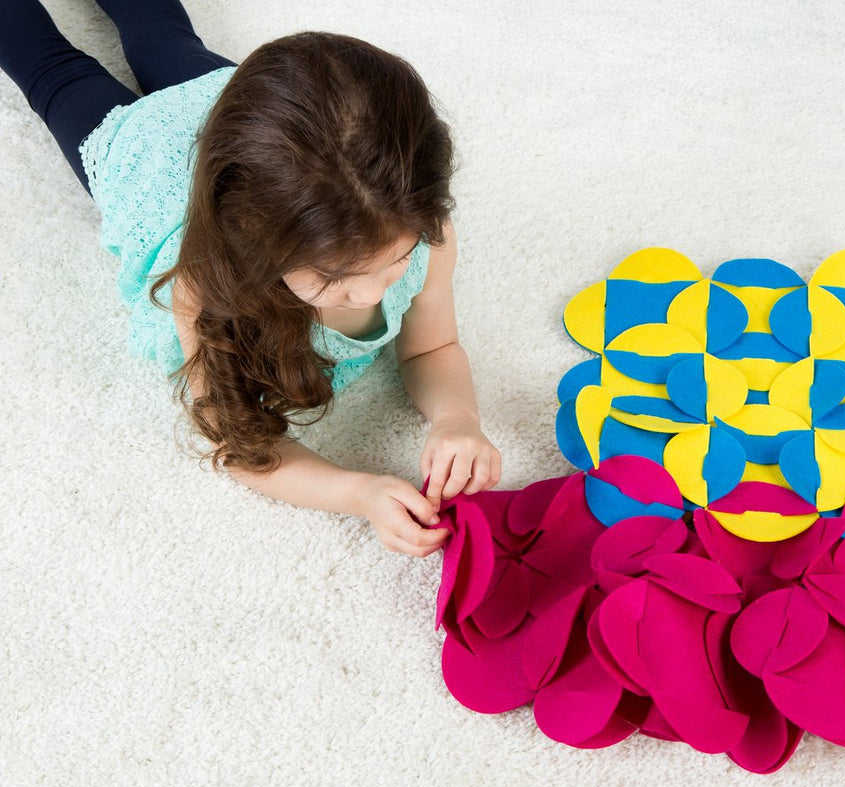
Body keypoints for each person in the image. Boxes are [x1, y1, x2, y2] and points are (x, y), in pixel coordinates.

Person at [0, 0, 501, 558]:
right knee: (52, 71)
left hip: (242, 118)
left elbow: (433, 345)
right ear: (253, 241)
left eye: (397, 260)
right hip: (148, 153)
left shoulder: (422, 226)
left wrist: (457, 418)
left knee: (158, 31)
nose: (371, 293)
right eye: (336, 278)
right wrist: (355, 492)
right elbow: (243, 447)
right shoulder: (208, 286)